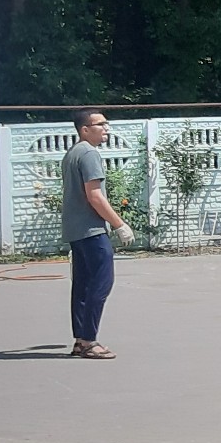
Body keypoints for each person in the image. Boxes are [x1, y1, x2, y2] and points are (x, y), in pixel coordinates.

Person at [61, 108, 133, 359]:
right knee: (101, 283)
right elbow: (95, 196)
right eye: (100, 124)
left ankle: (80, 340)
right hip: (91, 230)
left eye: (106, 124)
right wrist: (119, 224)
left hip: (76, 229)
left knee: (82, 285)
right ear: (85, 130)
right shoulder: (89, 153)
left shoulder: (73, 153)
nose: (106, 129)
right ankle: (89, 341)